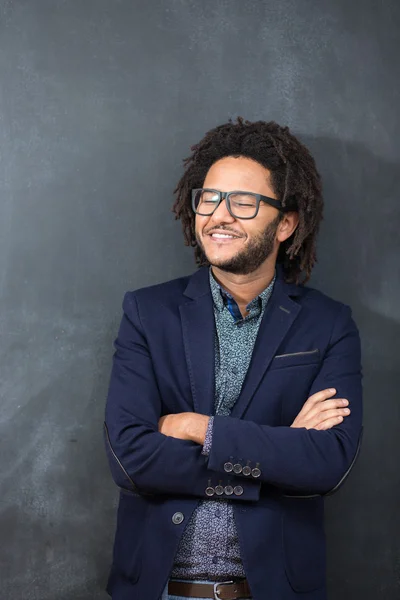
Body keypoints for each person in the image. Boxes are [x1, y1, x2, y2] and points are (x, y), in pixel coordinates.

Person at [103, 117, 363, 600]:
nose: (219, 215)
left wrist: (199, 428)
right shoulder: (146, 312)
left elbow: (329, 463)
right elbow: (131, 458)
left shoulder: (328, 325)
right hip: (159, 589)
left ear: (285, 223)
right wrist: (277, 454)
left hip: (272, 590)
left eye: (243, 203)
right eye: (210, 198)